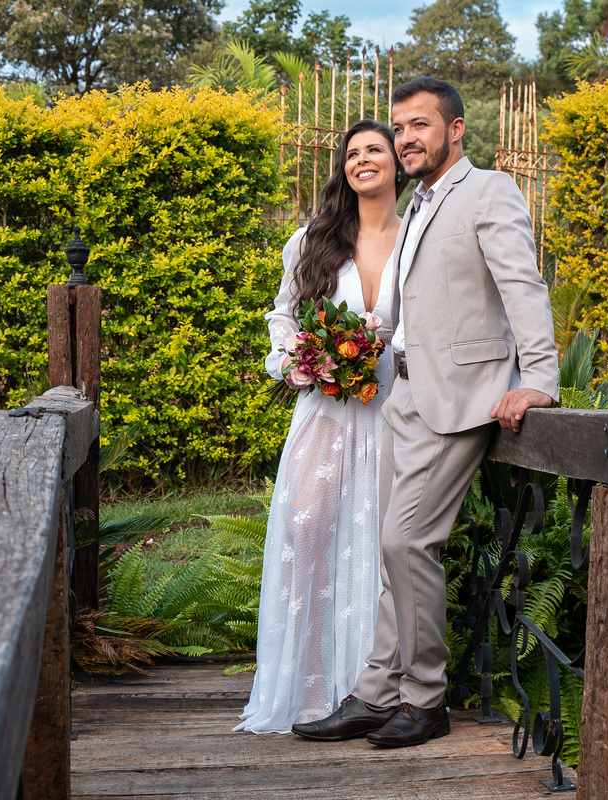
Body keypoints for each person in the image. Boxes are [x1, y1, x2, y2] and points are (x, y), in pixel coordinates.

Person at [291, 77, 560, 748]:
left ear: (456, 129)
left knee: (407, 542)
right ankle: (378, 691)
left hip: (462, 396)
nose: (406, 137)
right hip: (402, 395)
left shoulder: (489, 190)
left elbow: (522, 285)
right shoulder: (416, 205)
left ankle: (425, 697)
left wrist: (541, 379)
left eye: (420, 125)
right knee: (392, 547)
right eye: (399, 126)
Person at [235, 120, 406, 734]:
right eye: (353, 152)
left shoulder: (417, 240)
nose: (363, 160)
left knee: (385, 548)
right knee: (305, 533)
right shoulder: (311, 240)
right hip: (324, 412)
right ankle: (307, 690)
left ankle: (372, 691)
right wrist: (299, 362)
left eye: (375, 151)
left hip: (390, 410)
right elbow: (282, 316)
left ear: (397, 164)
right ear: (344, 167)